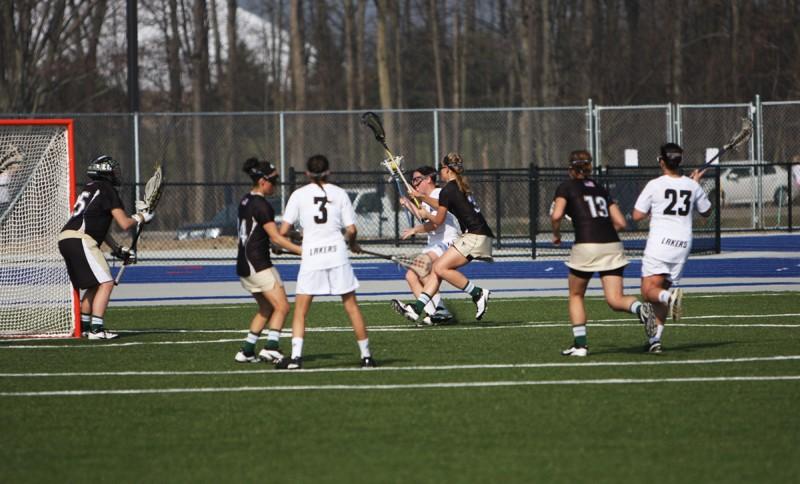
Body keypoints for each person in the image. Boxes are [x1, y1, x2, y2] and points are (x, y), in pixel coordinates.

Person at [276, 154, 376, 369]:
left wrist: (299, 235)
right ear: (329, 172)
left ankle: (295, 358)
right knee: (351, 306)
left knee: (301, 310)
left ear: (307, 174)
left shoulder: (299, 194)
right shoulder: (339, 194)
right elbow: (351, 229)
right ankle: (366, 357)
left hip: (311, 256)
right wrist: (353, 244)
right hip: (337, 253)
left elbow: (283, 231)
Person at [551, 150, 654, 357]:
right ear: (589, 167)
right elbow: (621, 223)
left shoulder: (566, 186)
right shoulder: (599, 188)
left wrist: (556, 235)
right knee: (615, 299)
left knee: (576, 294)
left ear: (570, 169)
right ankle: (639, 308)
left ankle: (580, 346)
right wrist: (602, 231)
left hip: (586, 246)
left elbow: (557, 214)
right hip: (612, 244)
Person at [58, 155, 154, 339]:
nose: (116, 174)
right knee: (107, 283)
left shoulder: (90, 189)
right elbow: (125, 223)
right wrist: (142, 217)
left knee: (95, 284)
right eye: (113, 171)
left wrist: (118, 249)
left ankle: (84, 326)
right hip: (81, 239)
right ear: (105, 172)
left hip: (67, 238)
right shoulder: (106, 189)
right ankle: (96, 329)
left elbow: (101, 229)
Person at [391, 152, 492, 323]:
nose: (440, 173)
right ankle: (419, 309)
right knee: (435, 270)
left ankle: (478, 293)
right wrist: (415, 203)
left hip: (472, 237)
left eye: (441, 169)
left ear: (447, 169)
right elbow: (437, 208)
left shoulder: (445, 191)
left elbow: (437, 220)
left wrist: (418, 223)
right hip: (478, 236)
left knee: (437, 268)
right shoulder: (455, 187)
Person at [632, 142, 712, 353]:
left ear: (661, 161)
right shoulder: (692, 185)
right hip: (682, 245)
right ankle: (655, 341)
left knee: (649, 292)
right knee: (660, 291)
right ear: (680, 161)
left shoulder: (654, 185)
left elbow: (637, 215)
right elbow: (706, 212)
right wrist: (695, 184)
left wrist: (652, 211)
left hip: (660, 244)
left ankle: (671, 298)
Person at [234, 158, 302, 363]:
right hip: (258, 264)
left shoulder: (246, 200)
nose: (276, 185)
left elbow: (260, 234)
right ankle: (271, 347)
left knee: (266, 308)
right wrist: (301, 251)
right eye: (273, 181)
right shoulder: (262, 205)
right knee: (283, 307)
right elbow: (275, 237)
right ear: (262, 181)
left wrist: (284, 241)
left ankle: (246, 351)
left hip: (244, 265)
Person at [398, 165, 461, 325]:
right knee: (411, 275)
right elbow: (423, 217)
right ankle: (434, 313)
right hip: (434, 243)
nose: (414, 183)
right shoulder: (426, 198)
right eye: (412, 180)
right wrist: (409, 204)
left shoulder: (439, 194)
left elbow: (435, 225)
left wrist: (414, 230)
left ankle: (441, 311)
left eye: (417, 180)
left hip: (446, 242)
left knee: (420, 267)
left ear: (429, 179)